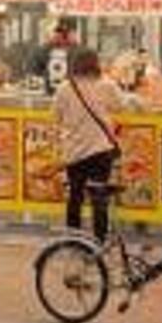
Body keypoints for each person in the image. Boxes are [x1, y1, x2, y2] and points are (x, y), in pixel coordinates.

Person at [53, 47, 128, 240]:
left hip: (74, 152)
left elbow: (56, 116)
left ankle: (73, 239)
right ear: (96, 64)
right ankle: (99, 240)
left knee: (75, 196)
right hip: (100, 151)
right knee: (99, 198)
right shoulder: (106, 85)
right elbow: (122, 105)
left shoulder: (64, 88)